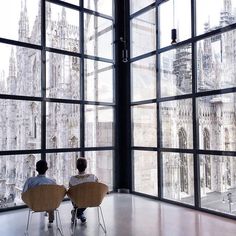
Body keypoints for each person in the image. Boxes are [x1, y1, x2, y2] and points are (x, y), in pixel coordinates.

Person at [22, 160, 56, 224]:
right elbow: (56, 194)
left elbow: (24, 193)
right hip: (49, 204)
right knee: (51, 197)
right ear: (47, 169)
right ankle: (51, 215)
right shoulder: (52, 181)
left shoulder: (30, 181)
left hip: (35, 205)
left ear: (36, 169)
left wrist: (29, 202)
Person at [69, 157, 98, 224]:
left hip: (77, 201)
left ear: (76, 167)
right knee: (86, 198)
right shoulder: (93, 177)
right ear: (86, 166)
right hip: (91, 200)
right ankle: (80, 214)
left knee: (75, 198)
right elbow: (97, 186)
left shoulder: (72, 179)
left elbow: (70, 191)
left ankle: (76, 212)